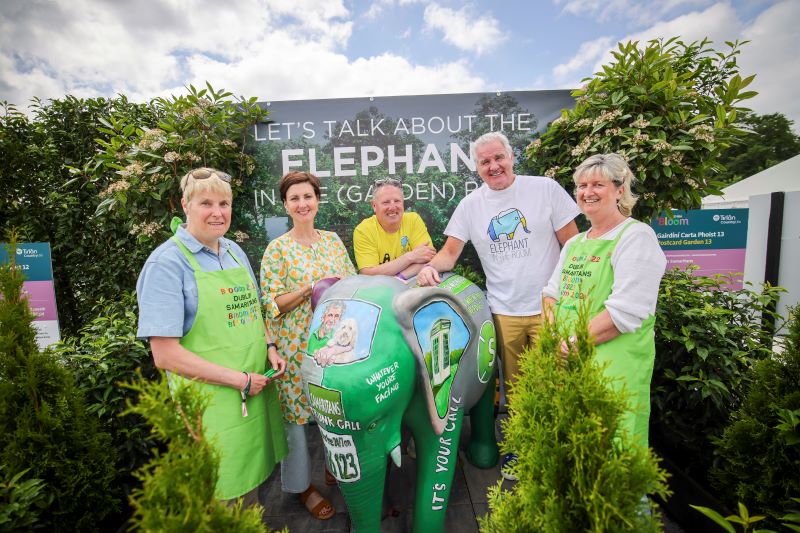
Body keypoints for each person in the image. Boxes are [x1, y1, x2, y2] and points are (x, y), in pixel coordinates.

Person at [416, 131, 579, 479]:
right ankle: (523, 450)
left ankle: (560, 452)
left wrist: (576, 296)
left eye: (498, 158)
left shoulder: (545, 189)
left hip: (552, 306)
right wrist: (430, 267)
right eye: (485, 162)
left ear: (511, 157)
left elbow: (575, 246)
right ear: (477, 167)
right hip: (505, 310)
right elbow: (449, 253)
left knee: (560, 381)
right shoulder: (471, 205)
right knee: (516, 388)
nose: (493, 166)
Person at [136, 167, 287, 507]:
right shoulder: (167, 264)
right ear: (185, 206)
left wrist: (270, 345)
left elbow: (253, 309)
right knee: (219, 501)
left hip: (251, 398)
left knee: (251, 496)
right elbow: (165, 355)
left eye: (224, 203)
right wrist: (238, 380)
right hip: (211, 408)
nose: (217, 212)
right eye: (206, 203)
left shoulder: (233, 250)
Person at [542, 153, 667, 451]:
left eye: (597, 184)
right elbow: (551, 293)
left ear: (620, 189)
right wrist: (553, 337)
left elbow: (625, 313)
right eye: (581, 186)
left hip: (613, 369)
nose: (587, 192)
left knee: (613, 458)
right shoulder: (575, 243)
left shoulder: (636, 237)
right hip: (568, 362)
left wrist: (570, 344)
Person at [259, 171, 356, 520]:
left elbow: (350, 282)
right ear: (286, 205)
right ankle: (302, 487)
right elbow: (271, 304)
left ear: (318, 200)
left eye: (308, 196)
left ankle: (334, 465)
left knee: (333, 410)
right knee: (296, 422)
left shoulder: (332, 240)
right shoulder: (277, 249)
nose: (302, 204)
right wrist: (309, 289)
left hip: (332, 347)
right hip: (293, 347)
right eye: (294, 198)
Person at [353, 177, 436, 279]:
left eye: (397, 201)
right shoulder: (363, 230)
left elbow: (428, 257)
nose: (392, 207)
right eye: (386, 202)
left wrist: (400, 277)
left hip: (412, 282)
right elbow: (368, 274)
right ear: (374, 205)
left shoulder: (413, 220)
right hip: (378, 289)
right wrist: (411, 257)